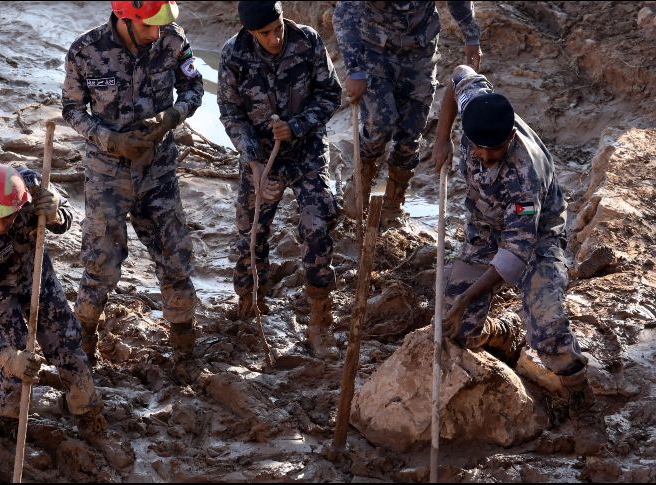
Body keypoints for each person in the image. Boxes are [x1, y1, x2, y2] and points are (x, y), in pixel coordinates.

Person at [432, 64, 607, 456]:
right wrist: (442, 138)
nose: (484, 155)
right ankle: (503, 332)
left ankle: (583, 406)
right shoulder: (478, 106)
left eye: (493, 149)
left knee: (548, 330)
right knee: (453, 328)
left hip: (536, 241)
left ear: (510, 137)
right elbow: (459, 74)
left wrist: (466, 298)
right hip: (484, 231)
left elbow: (513, 256)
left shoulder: (523, 176)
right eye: (477, 147)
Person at [61, 1, 204, 366]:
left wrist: (173, 115)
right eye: (147, 26)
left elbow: (194, 87)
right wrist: (111, 140)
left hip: (158, 172)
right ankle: (84, 351)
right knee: (100, 264)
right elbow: (72, 110)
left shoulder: (173, 40)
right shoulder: (85, 50)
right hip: (108, 175)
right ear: (125, 16)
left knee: (175, 257)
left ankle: (185, 350)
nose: (155, 34)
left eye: (160, 26)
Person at [217, 1, 342, 359]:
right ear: (249, 33)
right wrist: (254, 165)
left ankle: (320, 321)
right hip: (260, 157)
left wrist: (297, 126)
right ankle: (250, 303)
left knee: (318, 227)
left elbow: (329, 93)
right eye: (265, 34)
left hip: (306, 153)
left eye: (278, 29)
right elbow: (230, 113)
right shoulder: (233, 54)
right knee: (250, 232)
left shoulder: (308, 41)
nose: (274, 38)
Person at [0, 161, 106, 440]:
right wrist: (7, 356)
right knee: (16, 355)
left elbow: (66, 215)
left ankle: (87, 411)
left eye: (6, 217)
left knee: (67, 341)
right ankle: (8, 419)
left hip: (35, 272)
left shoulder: (32, 187)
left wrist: (55, 213)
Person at [333, 1, 482, 226]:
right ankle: (360, 182)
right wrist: (355, 70)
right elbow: (344, 14)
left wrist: (471, 36)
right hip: (375, 51)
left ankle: (393, 203)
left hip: (419, 52)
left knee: (411, 133)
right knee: (379, 125)